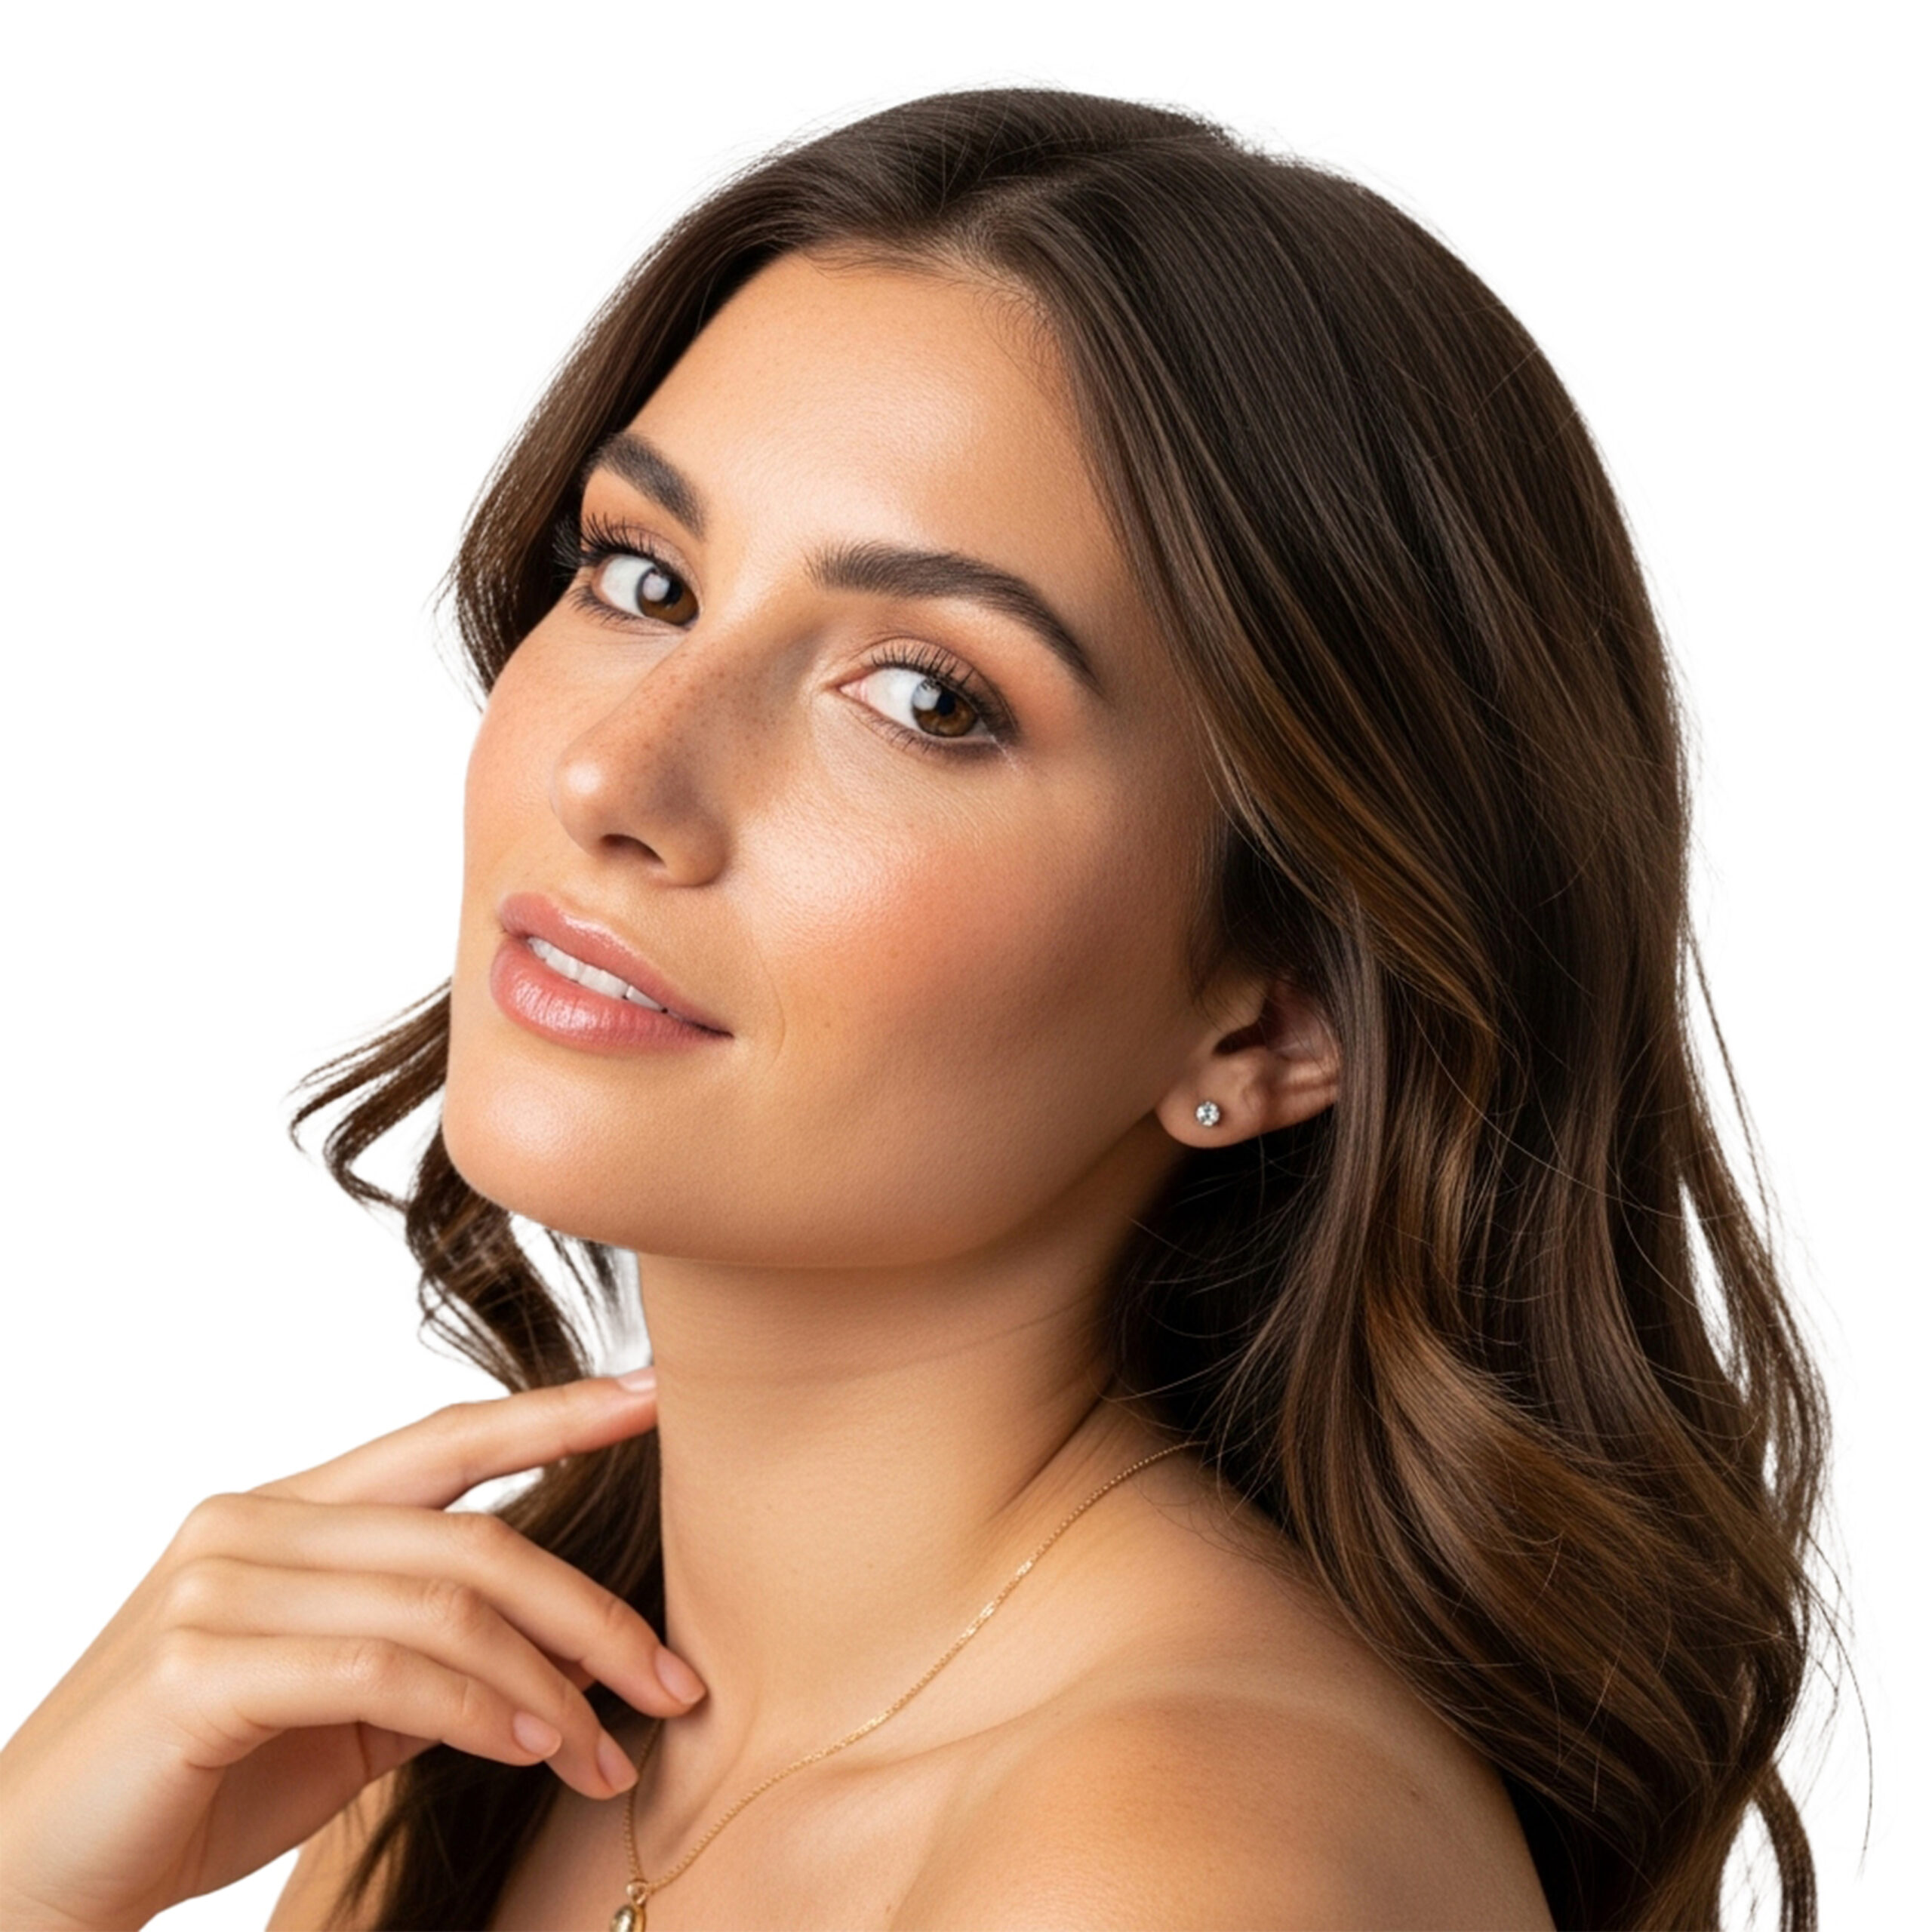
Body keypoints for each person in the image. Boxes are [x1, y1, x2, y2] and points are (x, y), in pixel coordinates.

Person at [0, 88, 1829, 1932]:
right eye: (642, 577)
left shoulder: (1181, 1865)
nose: (612, 774)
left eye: (927, 698)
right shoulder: (449, 1750)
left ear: (1273, 1016)